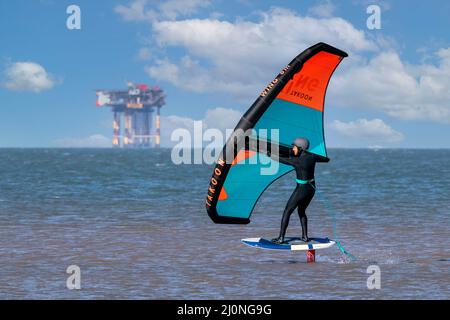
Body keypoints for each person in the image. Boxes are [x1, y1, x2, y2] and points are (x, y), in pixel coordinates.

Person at [271, 137, 330, 244]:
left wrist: (269, 154)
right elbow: (325, 159)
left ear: (300, 148)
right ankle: (305, 237)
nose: (292, 149)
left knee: (287, 211)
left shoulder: (298, 161)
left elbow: (282, 159)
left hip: (301, 189)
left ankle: (281, 238)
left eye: (294, 147)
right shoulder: (312, 157)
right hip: (311, 189)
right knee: (301, 211)